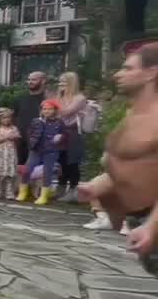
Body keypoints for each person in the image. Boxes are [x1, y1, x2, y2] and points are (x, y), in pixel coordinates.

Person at [78, 43, 158, 263]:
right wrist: (97, 186)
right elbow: (138, 165)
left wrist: (151, 226)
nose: (118, 74)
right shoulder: (134, 113)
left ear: (152, 73)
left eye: (128, 68)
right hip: (139, 218)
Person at [18, 99, 64, 206]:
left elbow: (65, 136)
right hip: (36, 150)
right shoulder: (36, 121)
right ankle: (23, 191)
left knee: (47, 173)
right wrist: (31, 143)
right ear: (41, 110)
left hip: (51, 151)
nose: (46, 111)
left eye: (49, 109)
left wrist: (60, 138)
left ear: (55, 110)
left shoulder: (59, 123)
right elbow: (29, 133)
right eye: (44, 109)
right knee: (26, 170)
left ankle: (43, 196)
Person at [55, 72, 87, 201]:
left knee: (72, 162)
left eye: (64, 82)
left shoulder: (79, 98)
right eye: (60, 82)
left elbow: (66, 112)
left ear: (72, 83)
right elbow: (54, 113)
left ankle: (73, 191)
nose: (60, 85)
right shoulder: (60, 97)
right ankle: (61, 188)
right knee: (61, 161)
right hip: (60, 131)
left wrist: (56, 103)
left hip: (73, 133)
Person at [12, 71, 47, 168]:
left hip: (39, 141)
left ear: (43, 81)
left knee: (37, 170)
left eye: (34, 79)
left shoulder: (47, 99)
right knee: (20, 168)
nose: (30, 82)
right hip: (20, 140)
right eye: (29, 79)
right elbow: (13, 117)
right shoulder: (20, 98)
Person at [0, 108, 21, 200]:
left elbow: (17, 139)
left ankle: (9, 191)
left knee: (9, 173)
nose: (7, 120)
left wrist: (15, 137)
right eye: (4, 118)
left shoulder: (14, 128)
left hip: (9, 153)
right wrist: (6, 137)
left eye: (8, 117)